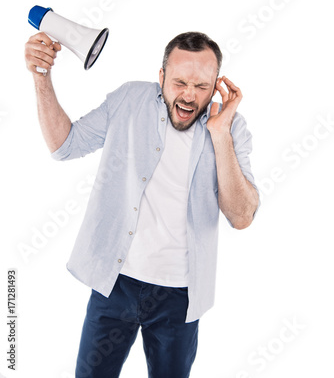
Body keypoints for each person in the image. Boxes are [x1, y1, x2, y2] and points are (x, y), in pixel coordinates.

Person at [25, 30, 260, 378]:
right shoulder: (129, 100)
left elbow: (242, 217)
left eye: (201, 86)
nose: (189, 96)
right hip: (114, 284)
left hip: (180, 297)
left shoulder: (231, 128)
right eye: (180, 82)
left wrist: (220, 133)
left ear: (217, 85)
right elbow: (65, 145)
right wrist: (41, 77)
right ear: (161, 76)